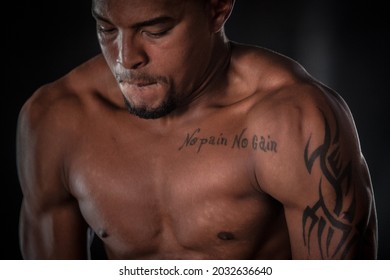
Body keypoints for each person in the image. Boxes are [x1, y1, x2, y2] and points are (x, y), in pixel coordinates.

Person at [16, 0, 378, 260]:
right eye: (106, 29)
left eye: (155, 30)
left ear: (217, 9)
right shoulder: (57, 119)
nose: (126, 58)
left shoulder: (295, 121)